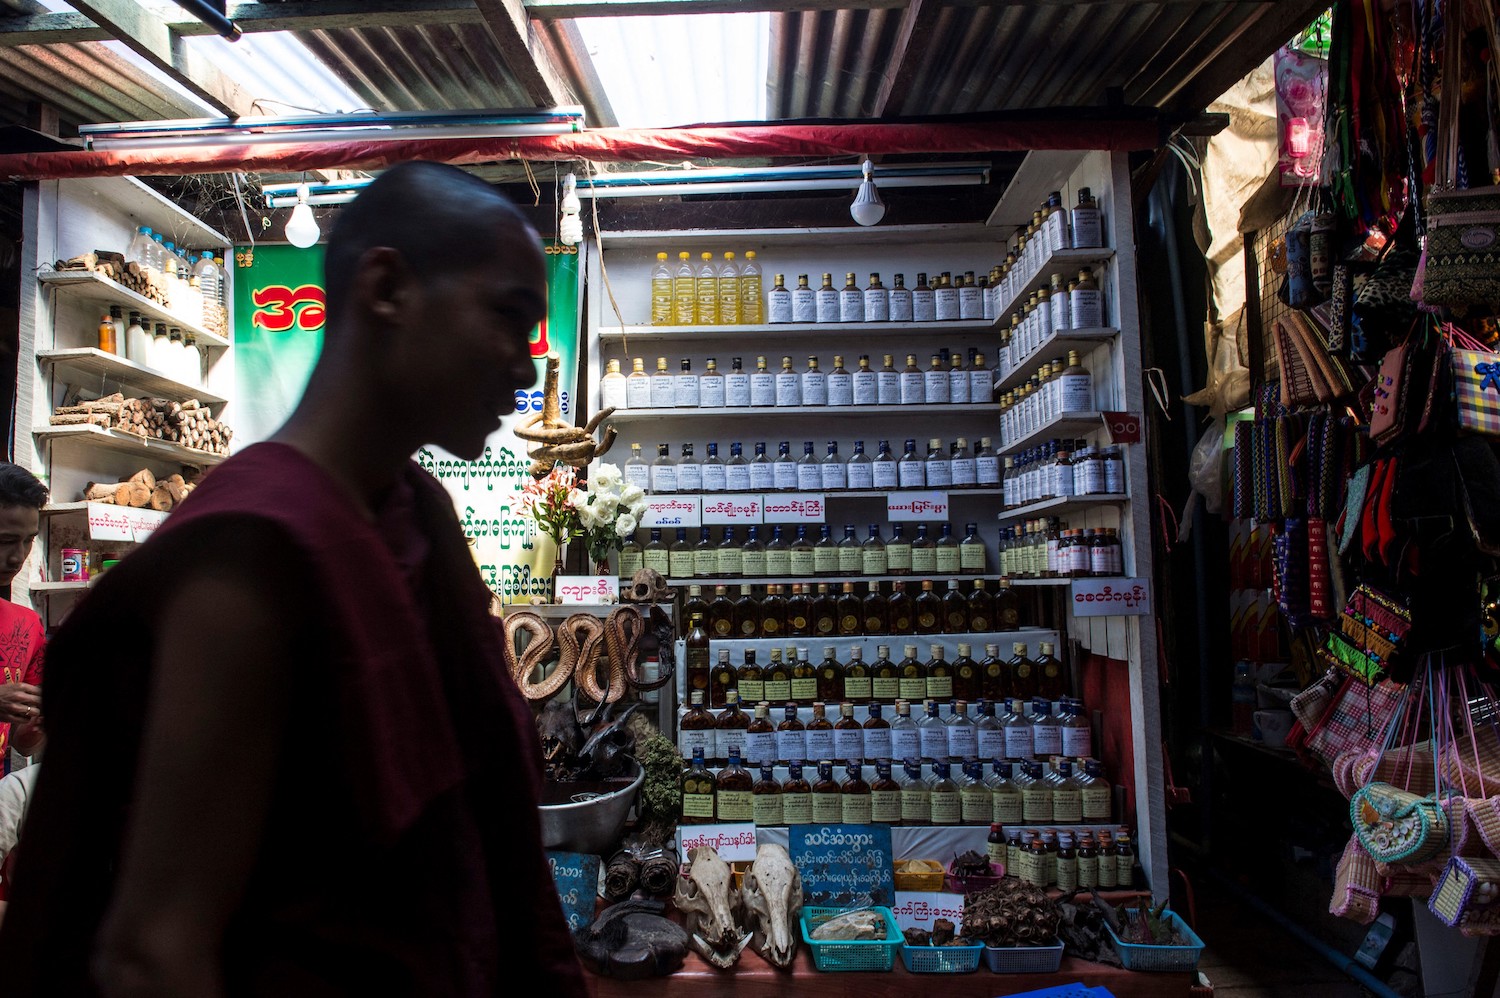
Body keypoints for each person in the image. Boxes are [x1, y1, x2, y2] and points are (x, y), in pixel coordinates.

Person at [0, 162, 589, 997]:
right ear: (386, 288)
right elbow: (154, 954)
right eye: (507, 316)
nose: (527, 371)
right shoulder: (252, 557)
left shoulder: (415, 515)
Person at [0, 464, 48, 772]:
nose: (18, 556)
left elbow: (23, 742)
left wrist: (35, 729)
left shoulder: (26, 625)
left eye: (28, 540)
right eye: (4, 541)